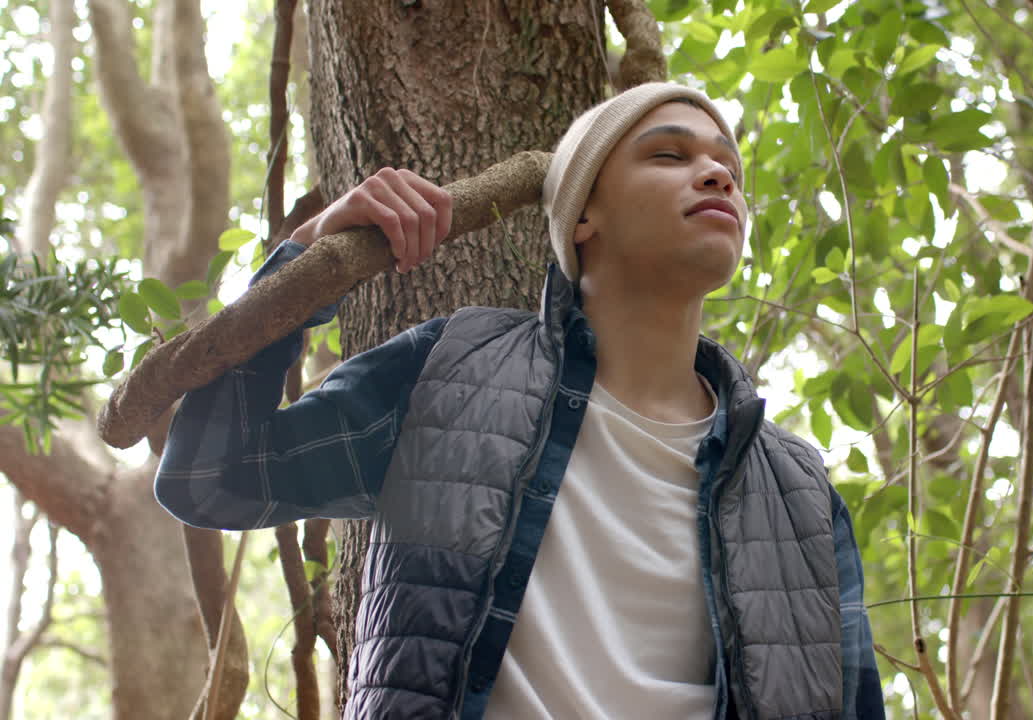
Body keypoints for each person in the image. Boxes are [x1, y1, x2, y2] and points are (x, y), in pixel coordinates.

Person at [156, 82, 886, 720]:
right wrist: (311, 260)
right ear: (581, 218)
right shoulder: (452, 373)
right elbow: (211, 478)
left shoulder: (797, 489)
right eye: (671, 155)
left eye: (728, 166)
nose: (718, 176)